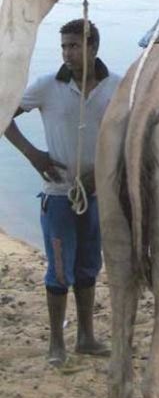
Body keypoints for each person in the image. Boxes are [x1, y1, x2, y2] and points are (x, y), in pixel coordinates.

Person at [4, 19, 120, 366]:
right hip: (58, 196)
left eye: (74, 46)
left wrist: (100, 173)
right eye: (64, 47)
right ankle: (57, 343)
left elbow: (128, 135)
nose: (67, 53)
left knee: (88, 267)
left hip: (98, 197)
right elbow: (4, 114)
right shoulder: (47, 86)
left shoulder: (116, 87)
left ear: (93, 48)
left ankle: (86, 336)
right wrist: (33, 155)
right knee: (58, 271)